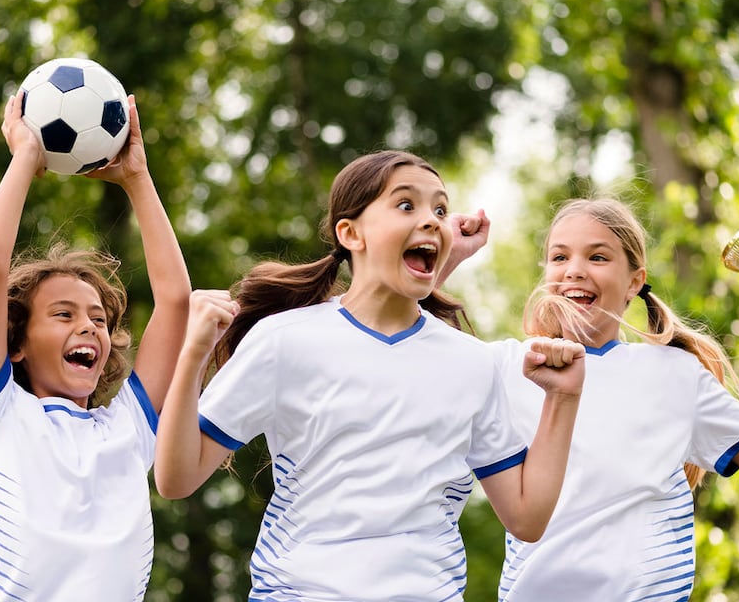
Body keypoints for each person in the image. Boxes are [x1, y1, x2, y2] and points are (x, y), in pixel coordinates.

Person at [154, 150, 585, 601]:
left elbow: (526, 518)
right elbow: (176, 479)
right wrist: (194, 353)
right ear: (350, 232)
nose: (432, 220)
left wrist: (564, 398)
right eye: (406, 205)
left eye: (440, 209)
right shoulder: (284, 340)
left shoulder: (472, 363)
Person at [443, 199, 739, 602]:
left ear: (634, 282)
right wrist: (446, 259)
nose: (574, 269)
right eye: (559, 256)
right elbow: (405, 350)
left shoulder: (675, 373)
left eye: (597, 256)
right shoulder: (506, 366)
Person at [0, 90, 198, 600]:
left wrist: (137, 178)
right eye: (63, 314)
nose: (89, 327)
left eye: (99, 319)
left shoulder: (126, 428)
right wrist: (25, 158)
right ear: (16, 343)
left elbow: (176, 300)